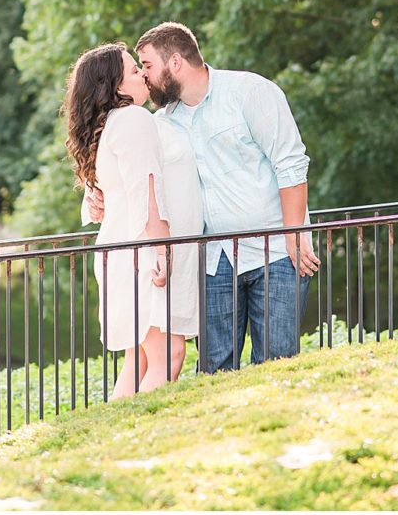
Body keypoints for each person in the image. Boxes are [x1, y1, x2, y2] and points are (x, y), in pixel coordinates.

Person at [85, 21, 320, 372]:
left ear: (175, 62)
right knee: (214, 370)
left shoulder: (250, 92)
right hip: (212, 260)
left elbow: (290, 164)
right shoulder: (161, 122)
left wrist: (293, 233)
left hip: (275, 251)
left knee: (276, 364)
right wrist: (95, 193)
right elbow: (132, 169)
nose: (144, 76)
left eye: (147, 65)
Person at [64, 42, 201, 397]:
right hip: (144, 255)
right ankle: (144, 427)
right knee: (168, 354)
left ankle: (115, 428)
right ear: (115, 85)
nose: (142, 74)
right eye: (133, 70)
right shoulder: (134, 120)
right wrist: (162, 249)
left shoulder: (112, 123)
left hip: (125, 253)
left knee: (138, 359)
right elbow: (146, 188)